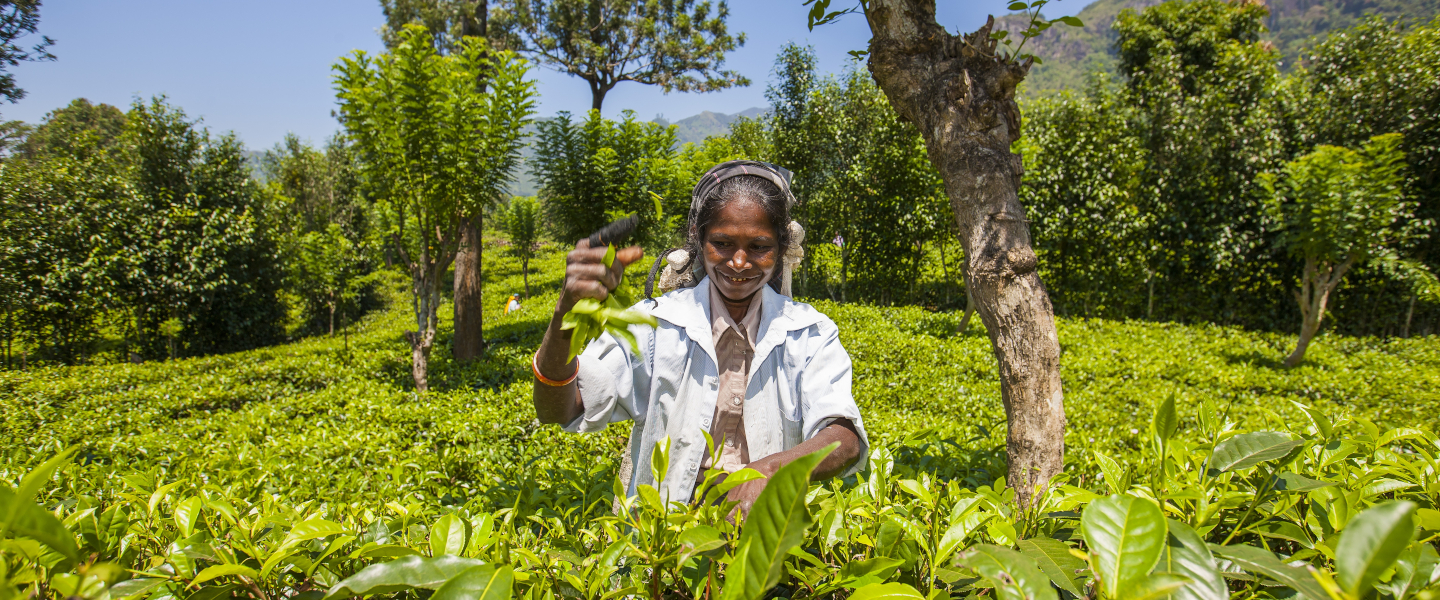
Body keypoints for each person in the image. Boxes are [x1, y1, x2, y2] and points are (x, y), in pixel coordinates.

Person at [530, 160, 867, 515]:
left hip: (764, 543)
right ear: (698, 237)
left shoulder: (809, 332)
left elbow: (843, 439)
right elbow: (560, 409)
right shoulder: (653, 324)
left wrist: (769, 472)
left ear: (782, 246)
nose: (739, 262)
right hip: (661, 551)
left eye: (758, 246)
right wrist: (565, 315)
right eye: (722, 243)